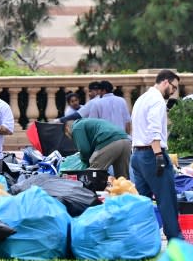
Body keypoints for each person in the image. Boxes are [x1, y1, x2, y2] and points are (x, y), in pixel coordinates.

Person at [130, 69, 182, 240]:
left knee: (142, 203)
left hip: (137, 155)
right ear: (165, 82)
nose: (173, 92)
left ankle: (142, 240)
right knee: (167, 199)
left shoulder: (141, 99)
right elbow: (154, 130)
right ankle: (176, 240)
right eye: (173, 88)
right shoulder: (157, 100)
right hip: (152, 154)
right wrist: (159, 155)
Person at [63, 118, 131, 179]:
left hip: (109, 140)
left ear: (67, 129)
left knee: (94, 173)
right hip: (125, 140)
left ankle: (92, 192)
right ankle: (126, 192)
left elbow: (85, 151)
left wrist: (85, 163)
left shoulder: (76, 127)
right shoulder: (87, 122)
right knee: (122, 178)